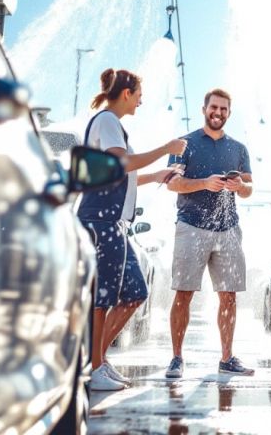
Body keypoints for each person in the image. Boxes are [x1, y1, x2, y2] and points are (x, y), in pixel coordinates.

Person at [78, 68, 187, 391]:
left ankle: (99, 360)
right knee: (102, 299)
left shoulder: (110, 124)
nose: (142, 100)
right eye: (139, 93)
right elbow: (120, 164)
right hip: (101, 218)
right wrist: (165, 146)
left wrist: (156, 175)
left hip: (113, 222)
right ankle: (95, 366)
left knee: (134, 292)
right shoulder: (108, 121)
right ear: (126, 93)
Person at [164, 88, 255, 378]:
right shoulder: (184, 143)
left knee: (229, 297)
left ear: (229, 112)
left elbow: (250, 189)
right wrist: (204, 183)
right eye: (214, 107)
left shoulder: (239, 148)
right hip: (191, 225)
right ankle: (177, 358)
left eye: (224, 109)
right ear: (205, 109)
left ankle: (227, 358)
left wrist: (239, 186)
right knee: (184, 294)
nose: (218, 113)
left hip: (228, 229)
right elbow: (172, 184)